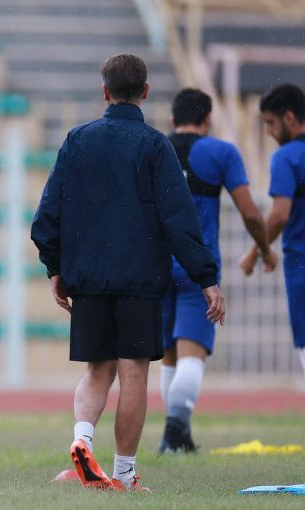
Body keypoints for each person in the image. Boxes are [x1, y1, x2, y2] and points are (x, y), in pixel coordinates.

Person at [31, 54, 225, 492]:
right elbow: (180, 220)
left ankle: (83, 439)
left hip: (89, 279)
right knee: (133, 373)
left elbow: (47, 216)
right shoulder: (155, 146)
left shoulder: (77, 140)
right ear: (146, 92)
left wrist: (55, 268)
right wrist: (206, 278)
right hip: (138, 280)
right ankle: (122, 474)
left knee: (97, 370)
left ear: (104, 91)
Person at [159, 89, 276, 453]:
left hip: (155, 266)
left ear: (173, 119)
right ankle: (174, 433)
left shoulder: (156, 148)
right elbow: (250, 212)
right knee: (192, 354)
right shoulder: (221, 152)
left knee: (169, 355)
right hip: (199, 268)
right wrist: (264, 250)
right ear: (207, 119)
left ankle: (178, 434)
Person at [239, 83, 305, 374]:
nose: (268, 132)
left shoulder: (287, 156)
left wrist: (256, 253)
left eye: (270, 123)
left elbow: (278, 215)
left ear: (289, 118)